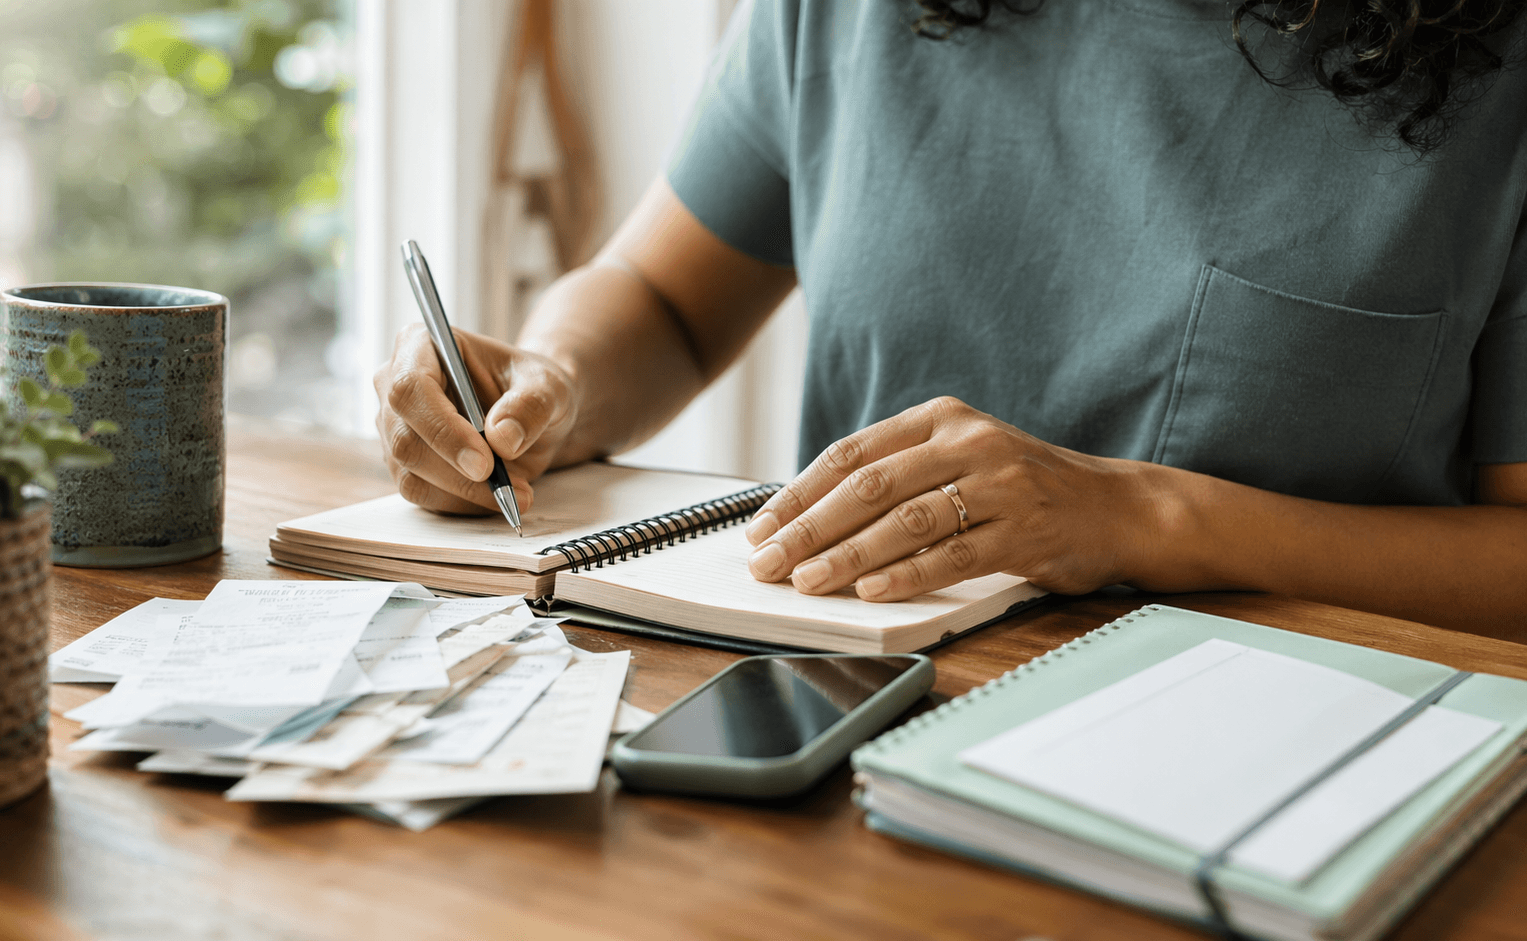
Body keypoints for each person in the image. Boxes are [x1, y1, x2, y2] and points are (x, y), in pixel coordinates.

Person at [375, 0, 1527, 635]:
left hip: (1286, 748)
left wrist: (1145, 515)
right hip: (837, 713)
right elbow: (664, 300)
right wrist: (549, 379)